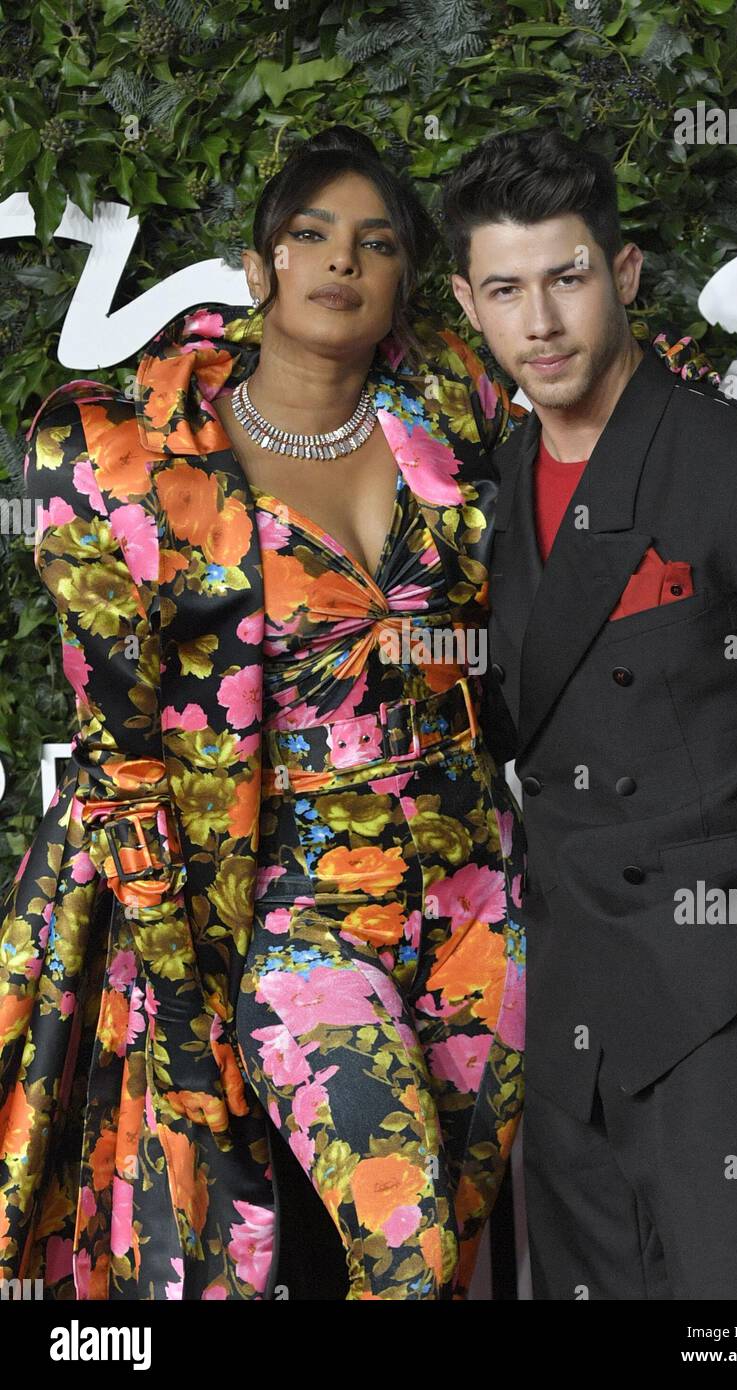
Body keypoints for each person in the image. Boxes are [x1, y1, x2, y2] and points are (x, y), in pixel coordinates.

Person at [0, 126, 530, 1301]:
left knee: (449, 1255)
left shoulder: (446, 406)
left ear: (403, 284)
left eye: (375, 244)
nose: (340, 262)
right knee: (408, 1252)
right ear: (258, 267)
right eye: (309, 234)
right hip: (301, 916)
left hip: (474, 896)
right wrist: (177, 957)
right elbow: (121, 742)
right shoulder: (144, 464)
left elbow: (607, 385)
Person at [440, 128, 737, 1299]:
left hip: (720, 1006)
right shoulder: (491, 502)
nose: (541, 323)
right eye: (506, 290)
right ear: (467, 304)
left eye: (566, 278)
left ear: (621, 274)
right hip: (572, 1019)